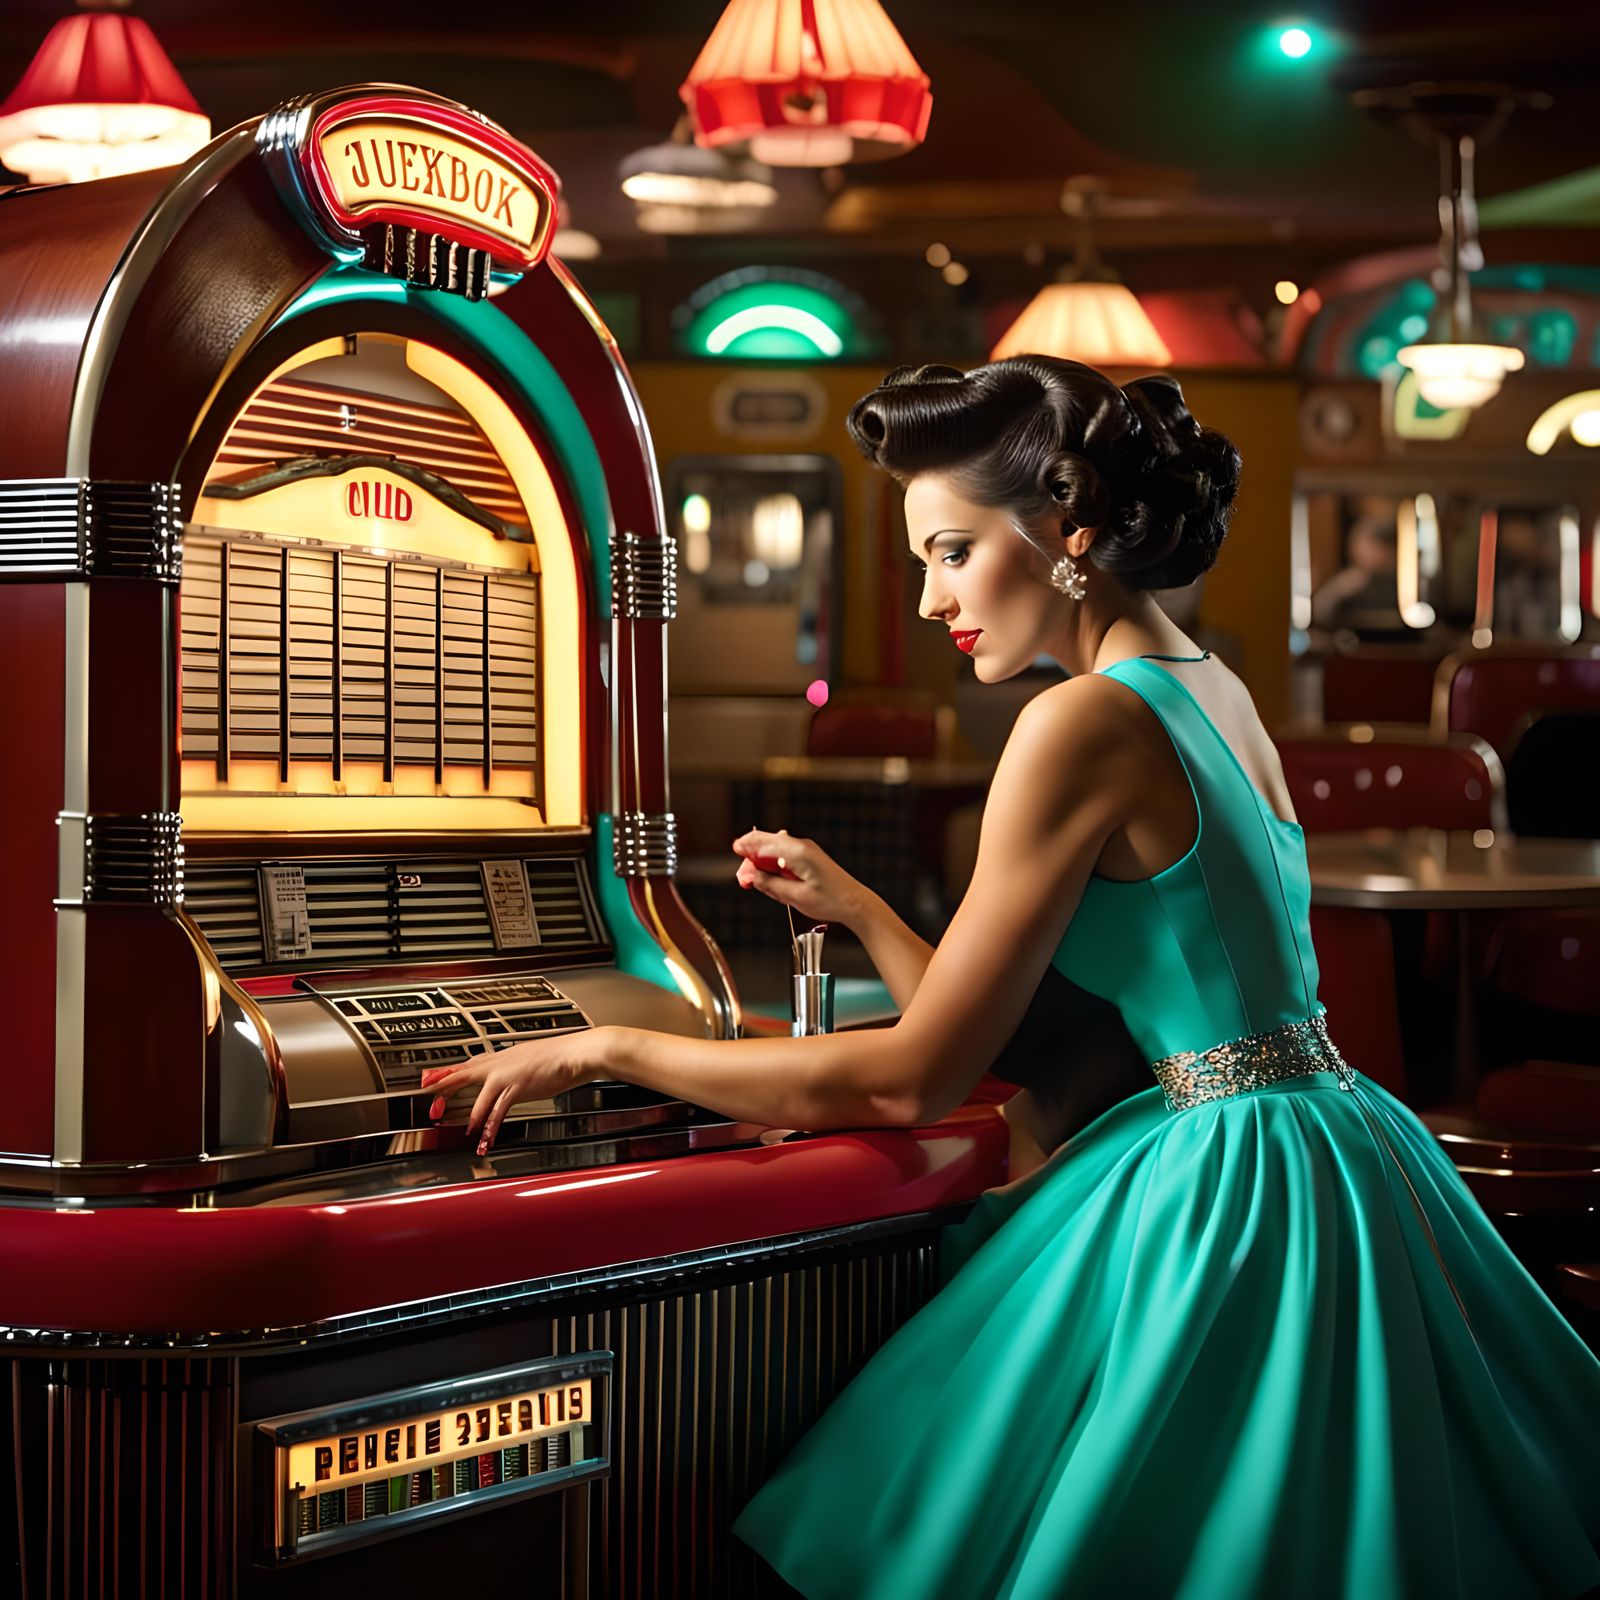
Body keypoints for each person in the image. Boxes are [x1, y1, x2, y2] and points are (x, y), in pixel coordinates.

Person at [419, 356, 1600, 1599]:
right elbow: (991, 1010)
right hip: (1338, 1142)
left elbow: (912, 1073)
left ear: (1067, 529)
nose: (930, 600)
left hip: (1228, 1187)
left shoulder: (1078, 723)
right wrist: (864, 907)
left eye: (948, 551)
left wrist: (609, 1048)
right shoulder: (1212, 688)